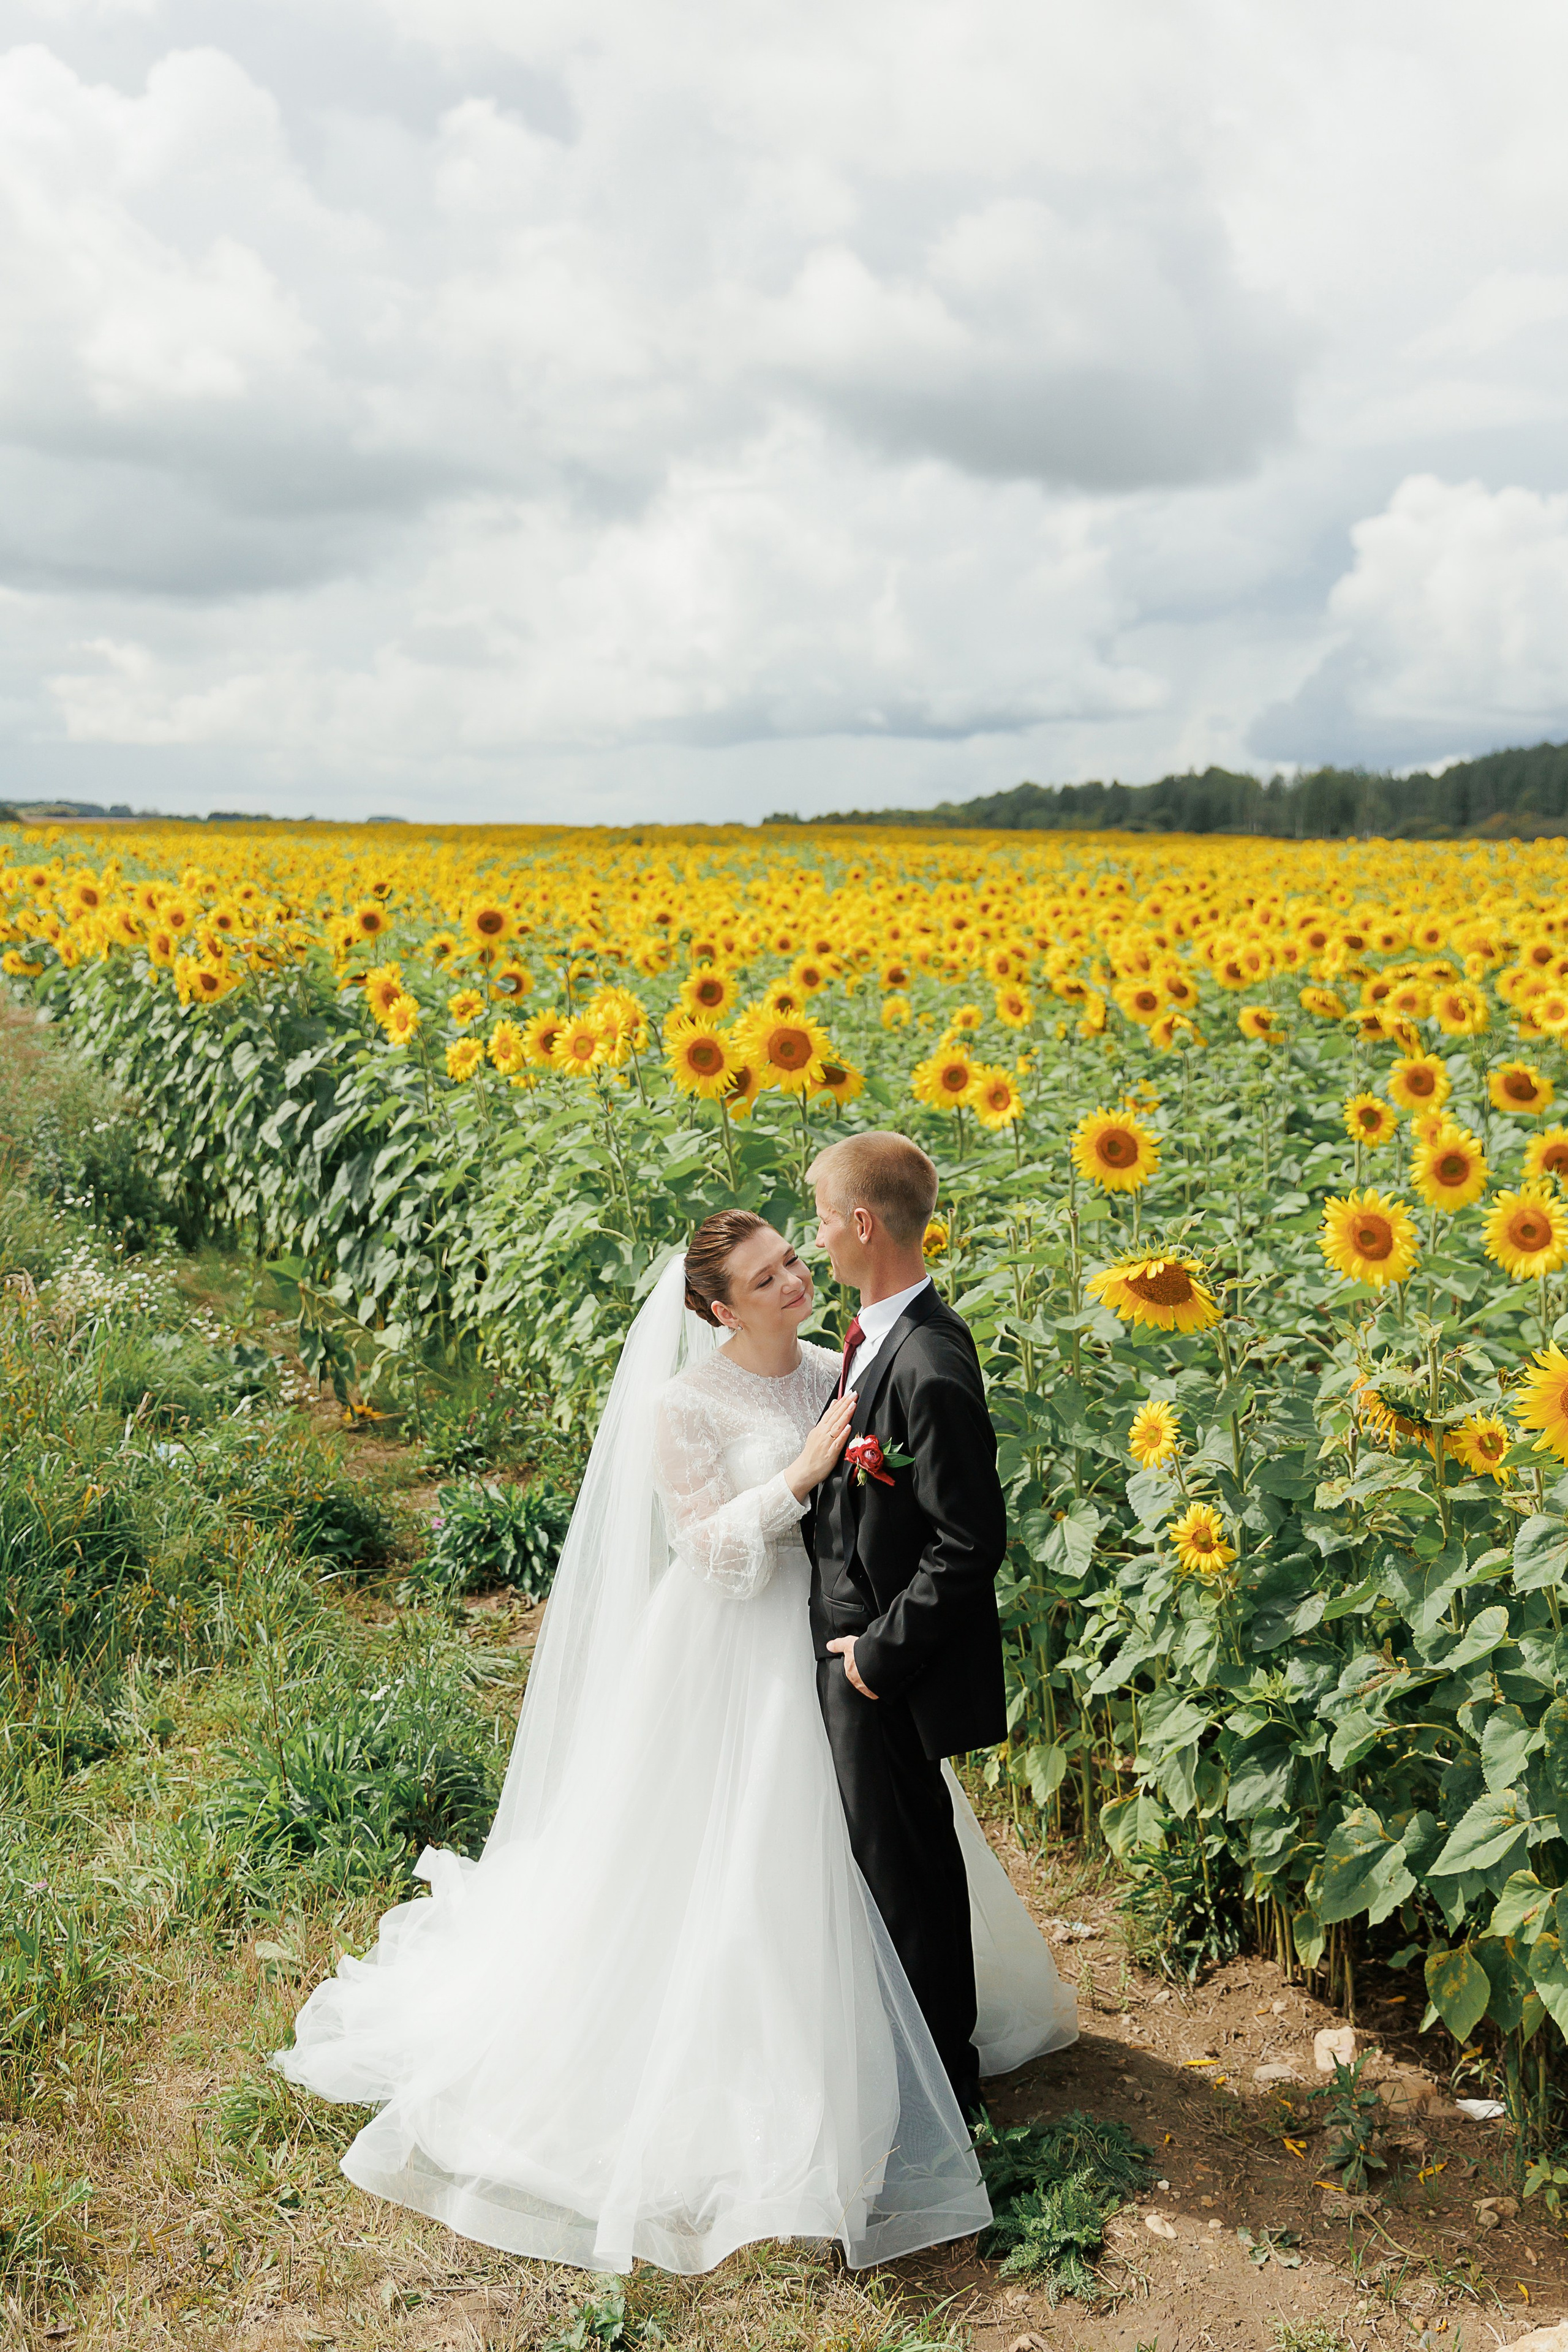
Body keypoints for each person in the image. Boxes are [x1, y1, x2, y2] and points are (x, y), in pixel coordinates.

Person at [274, 1215, 1022, 2276]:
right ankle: (764, 2059)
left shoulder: (837, 1368)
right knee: (740, 1849)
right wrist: (799, 1476)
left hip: (838, 1637)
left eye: (792, 1260)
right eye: (765, 1279)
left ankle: (897, 2031)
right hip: (734, 1646)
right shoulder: (685, 1403)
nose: (794, 1281)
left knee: (871, 1836)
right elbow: (708, 1550)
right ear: (718, 1309)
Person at [805, 1131, 1024, 2119]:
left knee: (907, 1873)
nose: (816, 1238)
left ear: (862, 1223)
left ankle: (944, 2092)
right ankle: (917, 2066)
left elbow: (970, 1541)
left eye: (822, 1218)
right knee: (891, 1858)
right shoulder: (874, 1336)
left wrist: (878, 1656)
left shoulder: (928, 1360)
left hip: (877, 1662)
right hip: (852, 1641)